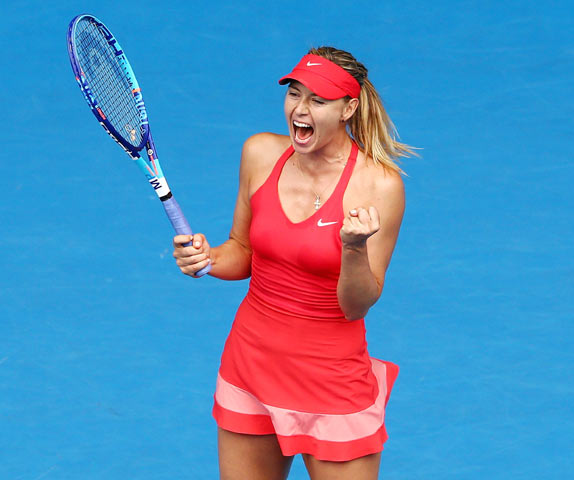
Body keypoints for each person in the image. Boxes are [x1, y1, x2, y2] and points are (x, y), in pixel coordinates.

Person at [173, 46, 414, 480]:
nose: (300, 110)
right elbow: (242, 252)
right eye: (295, 95)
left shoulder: (379, 185)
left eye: (318, 101)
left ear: (349, 108)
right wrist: (208, 258)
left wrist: (354, 248)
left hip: (332, 380)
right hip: (250, 368)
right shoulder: (260, 154)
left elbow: (355, 305)